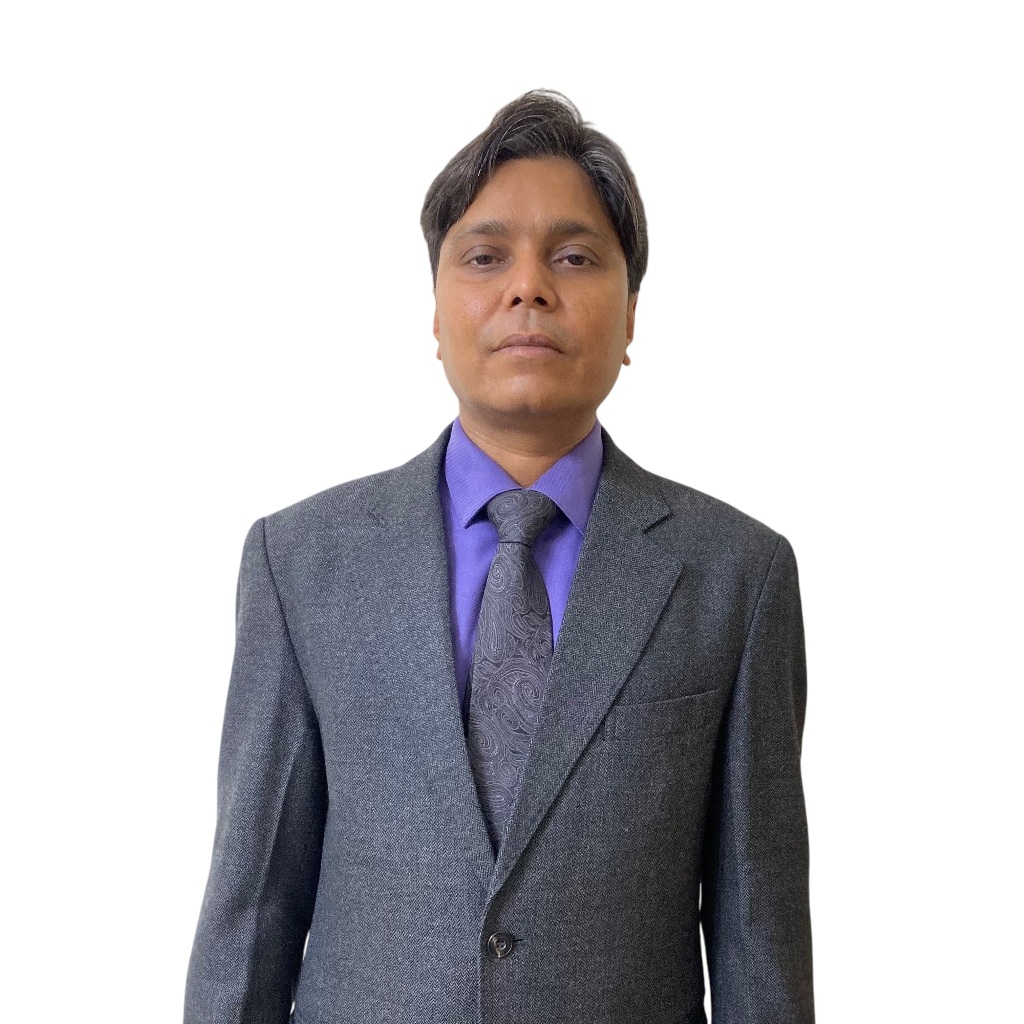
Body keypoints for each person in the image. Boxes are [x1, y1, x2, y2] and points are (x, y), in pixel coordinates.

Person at [184, 90, 814, 1024]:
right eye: (485, 257)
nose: (529, 288)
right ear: (437, 311)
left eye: (574, 257)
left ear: (631, 316)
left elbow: (761, 938)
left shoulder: (735, 577)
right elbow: (250, 913)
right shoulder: (303, 564)